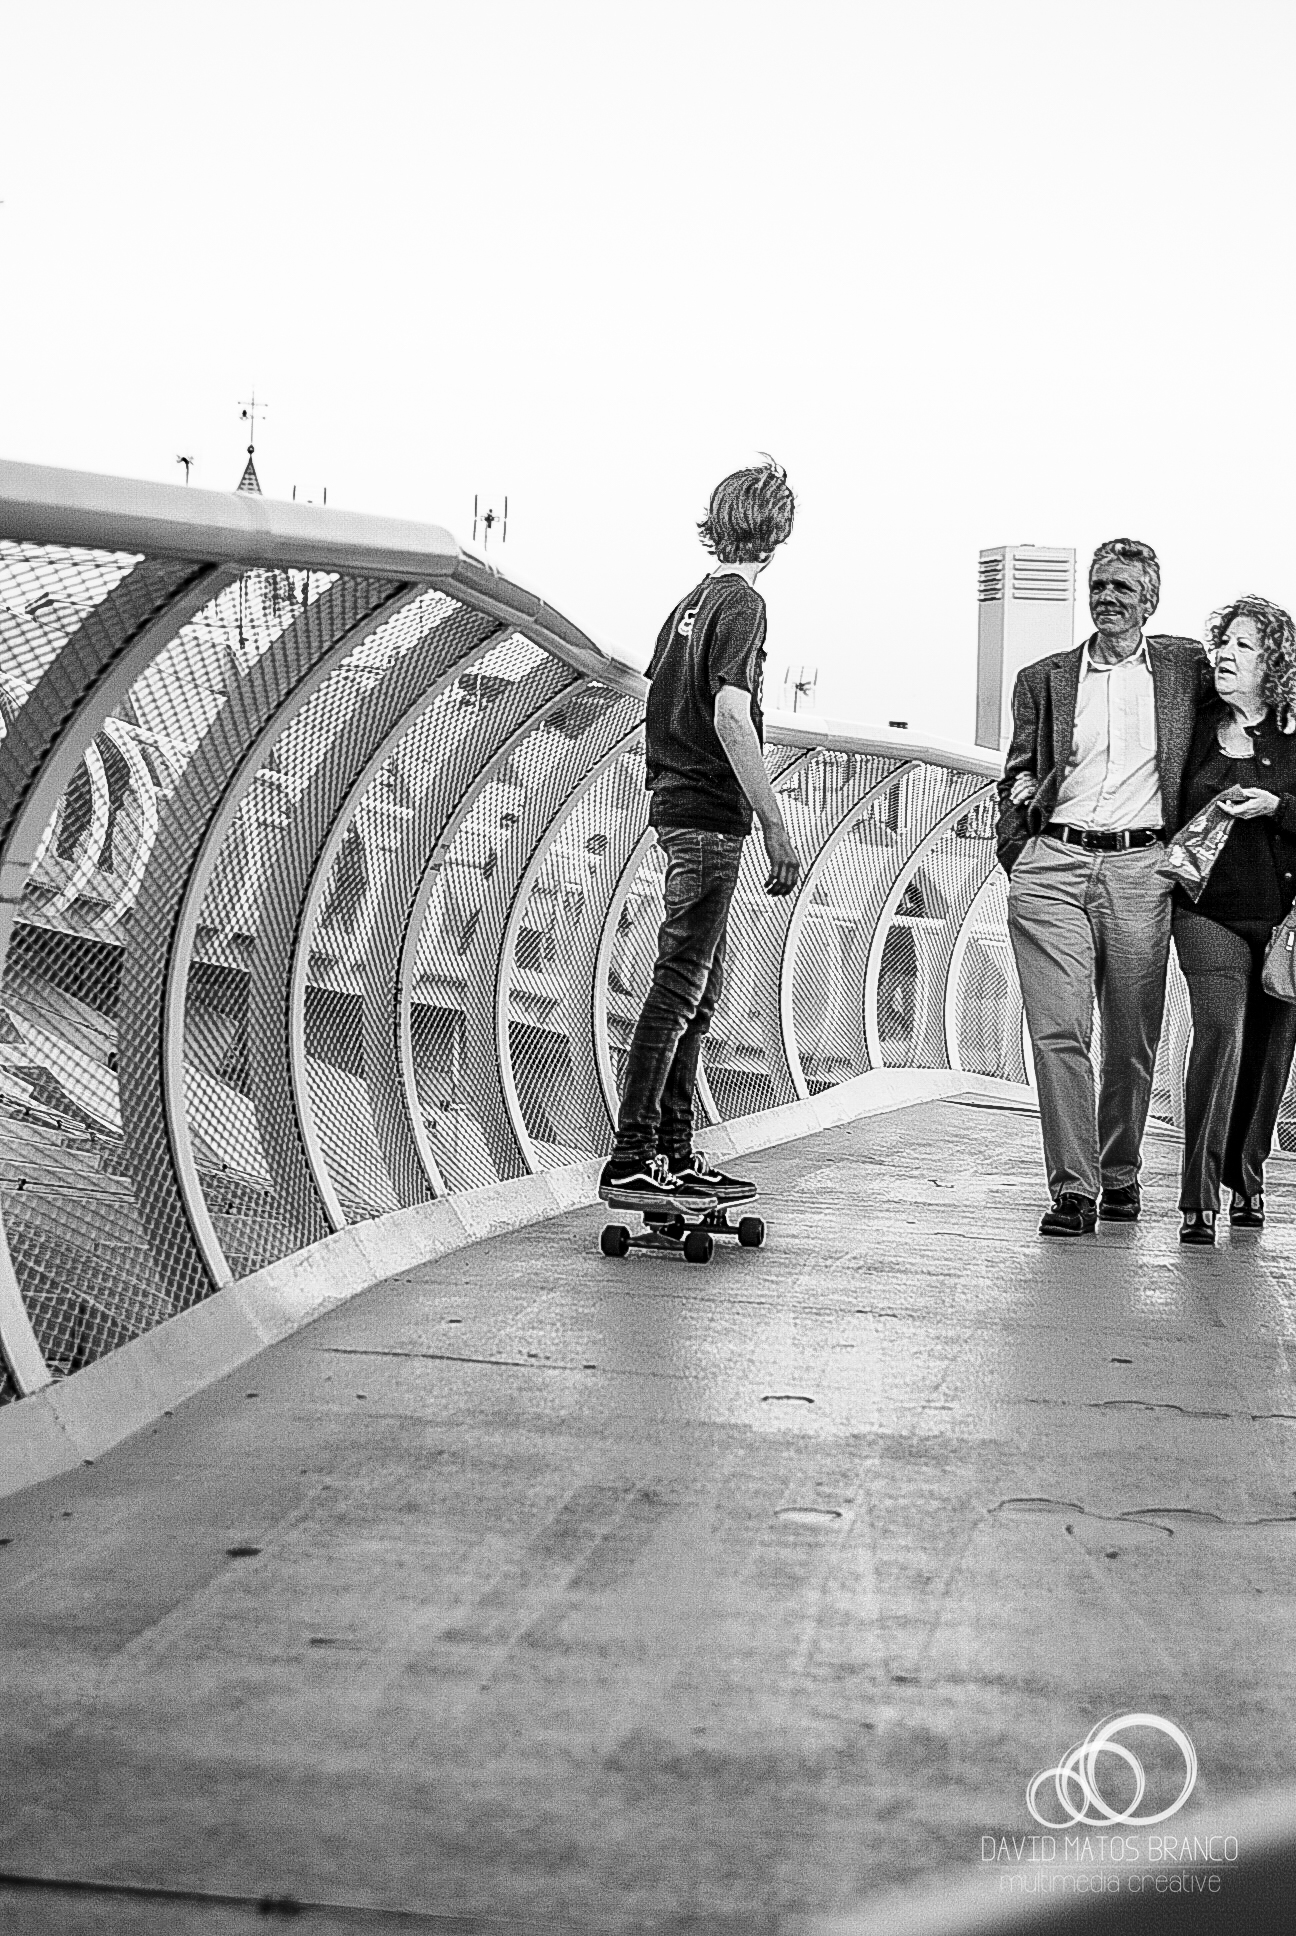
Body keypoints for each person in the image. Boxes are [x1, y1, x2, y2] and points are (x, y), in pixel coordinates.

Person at [599, 458, 802, 1213]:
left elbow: (662, 695)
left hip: (674, 801)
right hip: (711, 814)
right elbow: (730, 714)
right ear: (778, 532)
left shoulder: (688, 603)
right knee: (682, 983)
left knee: (698, 985)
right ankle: (632, 1154)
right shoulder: (743, 605)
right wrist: (775, 822)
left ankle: (675, 1153)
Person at [996, 538, 1211, 1236]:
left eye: (1123, 587)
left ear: (1150, 600)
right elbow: (1018, 770)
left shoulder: (1184, 669)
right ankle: (1073, 1190)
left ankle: (1119, 1172)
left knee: (1131, 1036)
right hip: (1054, 864)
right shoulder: (1044, 679)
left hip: (1142, 869)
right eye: (1099, 585)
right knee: (1059, 1030)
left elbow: (1248, 705)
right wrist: (1019, 849)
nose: (1108, 598)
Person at [1171, 597, 1296, 1245]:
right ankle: (1198, 1196)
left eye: (1244, 646)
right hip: (1206, 911)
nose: (1225, 654)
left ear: (1273, 664)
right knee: (1221, 1033)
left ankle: (1247, 1176)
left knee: (1271, 1054)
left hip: (1284, 923)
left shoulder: (1293, 738)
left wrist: (1277, 805)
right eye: (1222, 642)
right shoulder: (1191, 727)